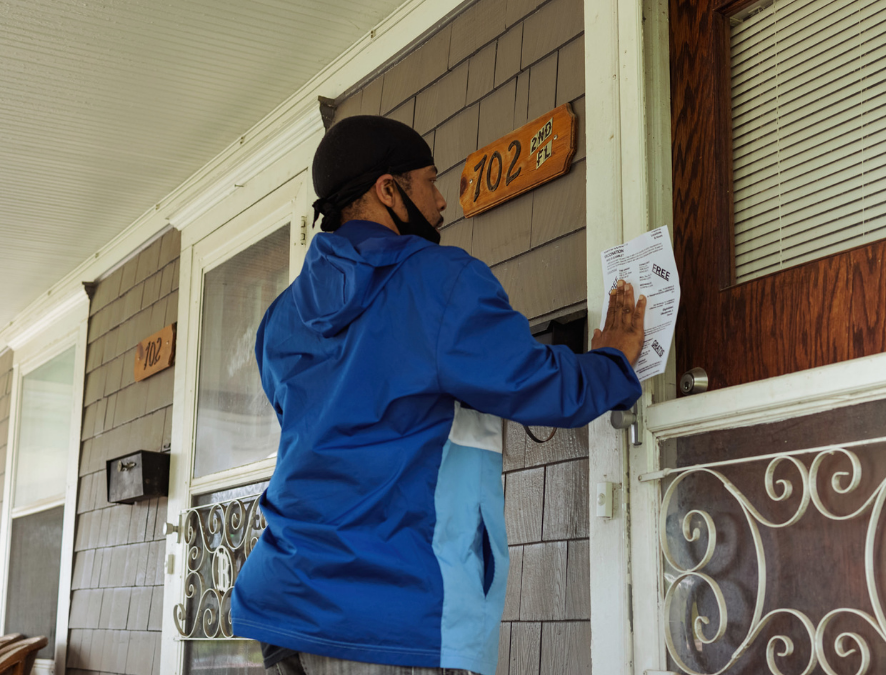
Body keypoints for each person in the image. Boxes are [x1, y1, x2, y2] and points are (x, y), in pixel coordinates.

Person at [229, 115, 647, 675]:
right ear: (388, 190)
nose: (443, 199)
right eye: (430, 181)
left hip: (281, 603)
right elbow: (538, 385)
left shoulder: (280, 319)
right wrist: (613, 362)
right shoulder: (440, 280)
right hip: (394, 614)